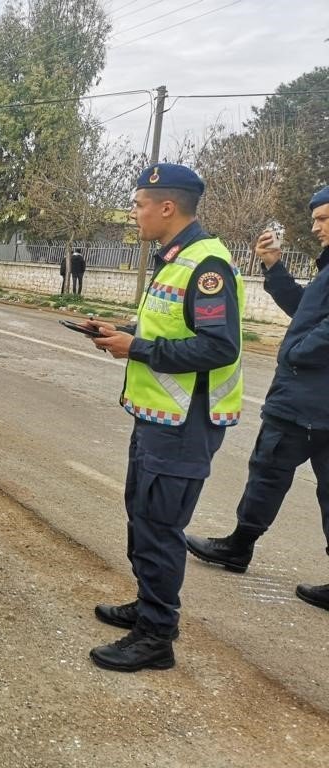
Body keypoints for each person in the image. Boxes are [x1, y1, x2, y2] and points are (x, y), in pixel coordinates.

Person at [84, 163, 244, 671]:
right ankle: (149, 607)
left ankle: (156, 637)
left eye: (138, 205)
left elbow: (218, 347)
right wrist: (122, 330)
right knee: (143, 516)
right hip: (158, 416)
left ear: (167, 207)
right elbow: (168, 327)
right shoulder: (174, 258)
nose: (135, 214)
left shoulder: (207, 265)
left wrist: (139, 347)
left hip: (184, 423)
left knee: (159, 526)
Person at [186, 186, 329, 611]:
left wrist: (295, 353)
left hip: (305, 402)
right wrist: (275, 268)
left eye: (324, 218)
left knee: (268, 471)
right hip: (313, 401)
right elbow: (306, 311)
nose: (315, 226)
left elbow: (318, 332)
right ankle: (239, 546)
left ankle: (238, 546)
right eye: (316, 218)